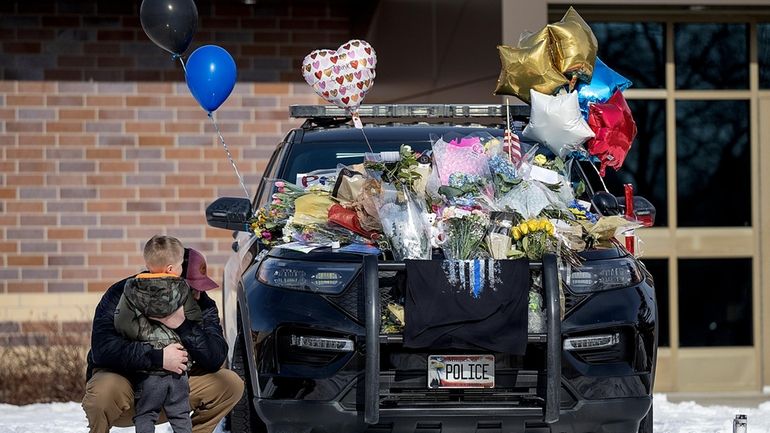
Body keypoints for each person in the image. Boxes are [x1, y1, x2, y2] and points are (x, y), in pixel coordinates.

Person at [82, 238, 244, 433]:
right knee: (103, 392)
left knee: (230, 384)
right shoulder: (122, 293)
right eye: (191, 286)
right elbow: (103, 350)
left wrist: (182, 325)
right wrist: (158, 357)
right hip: (128, 391)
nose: (198, 294)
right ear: (169, 275)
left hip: (177, 390)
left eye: (200, 287)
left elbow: (216, 357)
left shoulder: (203, 304)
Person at [113, 235, 201, 433]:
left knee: (145, 414)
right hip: (178, 365)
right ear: (171, 268)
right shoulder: (183, 289)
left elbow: (122, 323)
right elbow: (194, 319)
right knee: (180, 414)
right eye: (180, 266)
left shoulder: (131, 288)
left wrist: (145, 334)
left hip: (149, 371)